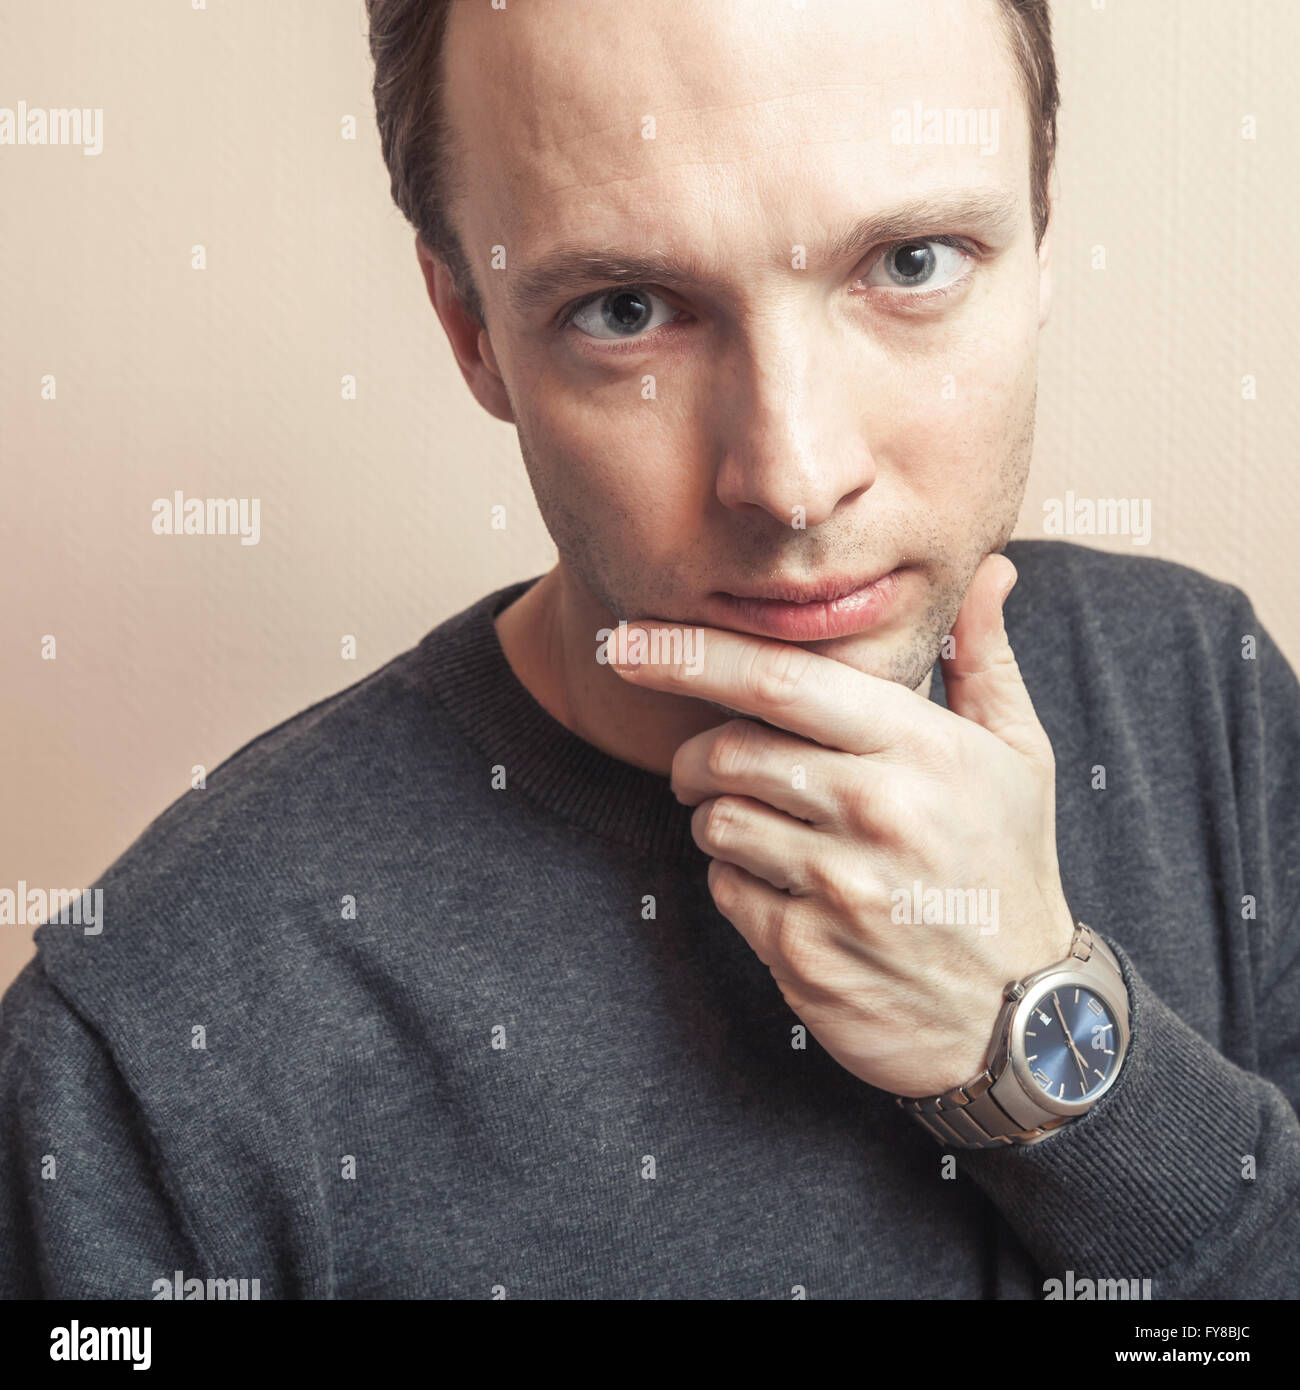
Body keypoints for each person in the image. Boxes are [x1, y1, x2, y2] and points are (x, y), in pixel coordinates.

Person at [2, 0, 1297, 1299]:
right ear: (470, 327)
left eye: (910, 262)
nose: (794, 480)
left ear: (1044, 223)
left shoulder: (1208, 698)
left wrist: (1050, 1045)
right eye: (627, 309)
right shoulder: (150, 1056)